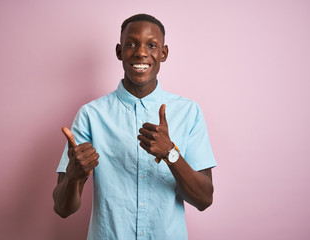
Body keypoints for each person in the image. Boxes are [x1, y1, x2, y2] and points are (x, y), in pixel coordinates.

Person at [53, 13, 217, 240]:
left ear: (163, 53)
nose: (141, 52)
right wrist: (73, 177)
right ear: (119, 51)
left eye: (151, 45)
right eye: (131, 44)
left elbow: (204, 200)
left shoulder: (188, 112)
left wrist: (171, 153)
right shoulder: (91, 115)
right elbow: (62, 209)